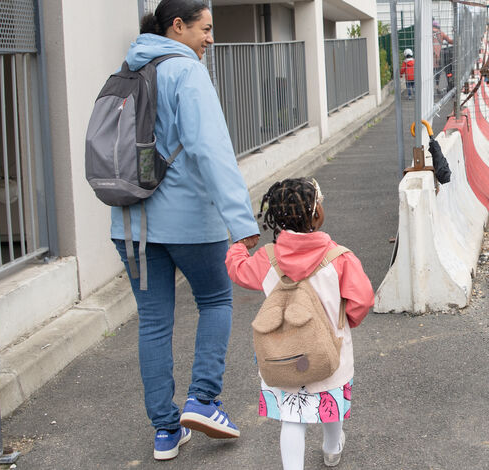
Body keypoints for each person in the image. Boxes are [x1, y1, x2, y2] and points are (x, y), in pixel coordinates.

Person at [113, 0, 260, 461]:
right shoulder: (187, 72)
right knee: (215, 300)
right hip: (191, 223)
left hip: (131, 222)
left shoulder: (127, 70)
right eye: (205, 28)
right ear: (177, 26)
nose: (211, 39)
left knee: (153, 321)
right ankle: (203, 400)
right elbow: (210, 150)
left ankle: (165, 431)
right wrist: (241, 221)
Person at [225, 178, 374, 470]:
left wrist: (239, 246)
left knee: (292, 418)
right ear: (316, 214)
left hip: (283, 354)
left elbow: (239, 270)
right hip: (329, 350)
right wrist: (347, 321)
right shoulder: (339, 258)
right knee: (331, 402)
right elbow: (363, 299)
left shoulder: (267, 258)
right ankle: (332, 448)